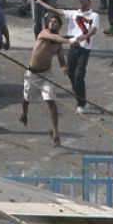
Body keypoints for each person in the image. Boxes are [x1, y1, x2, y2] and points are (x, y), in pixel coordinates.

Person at [19, 14, 70, 146]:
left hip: (46, 74)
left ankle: (55, 133)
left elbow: (61, 59)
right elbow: (54, 37)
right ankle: (24, 114)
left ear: (59, 25)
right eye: (51, 21)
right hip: (32, 73)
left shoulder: (58, 43)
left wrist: (64, 67)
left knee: (50, 102)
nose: (52, 23)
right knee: (26, 100)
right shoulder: (44, 33)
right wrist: (70, 40)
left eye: (56, 22)